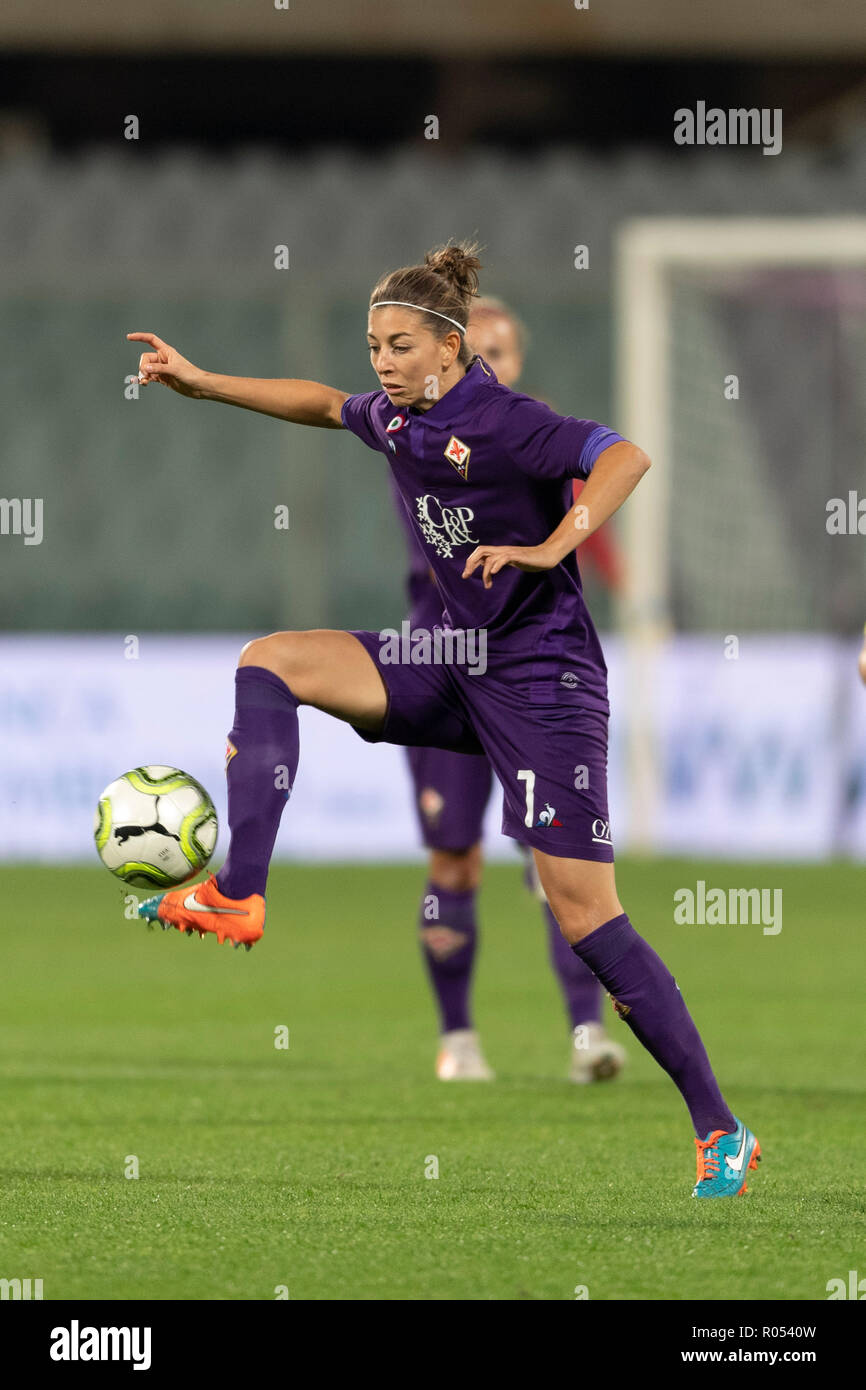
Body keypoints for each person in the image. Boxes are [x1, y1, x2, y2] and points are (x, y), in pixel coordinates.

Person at [128, 241, 761, 1197]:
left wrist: (553, 544)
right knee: (271, 662)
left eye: (398, 345)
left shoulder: (508, 423)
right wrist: (204, 382)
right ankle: (239, 893)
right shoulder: (394, 417)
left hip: (544, 685)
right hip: (449, 665)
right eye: (372, 344)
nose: (380, 362)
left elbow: (624, 456)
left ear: (450, 348)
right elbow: (317, 402)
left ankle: (721, 1129)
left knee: (589, 919)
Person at [391, 294, 626, 1083]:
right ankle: (457, 1040)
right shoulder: (413, 426)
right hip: (445, 653)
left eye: (504, 350)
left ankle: (586, 1036)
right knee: (454, 858)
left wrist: (577, 550)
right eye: (475, 346)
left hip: (530, 663)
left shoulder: (525, 428)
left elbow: (610, 474)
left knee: (552, 862)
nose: (488, 362)